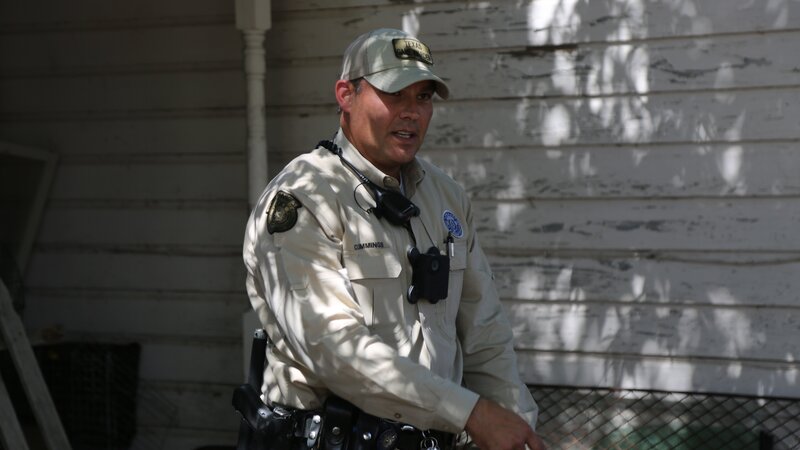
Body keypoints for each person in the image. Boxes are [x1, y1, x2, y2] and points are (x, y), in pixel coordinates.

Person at [243, 28, 546, 450]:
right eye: (395, 94)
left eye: (423, 97)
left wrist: (516, 427)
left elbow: (485, 333)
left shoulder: (447, 197)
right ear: (346, 95)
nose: (412, 113)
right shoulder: (304, 199)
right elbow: (334, 347)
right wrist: (471, 413)